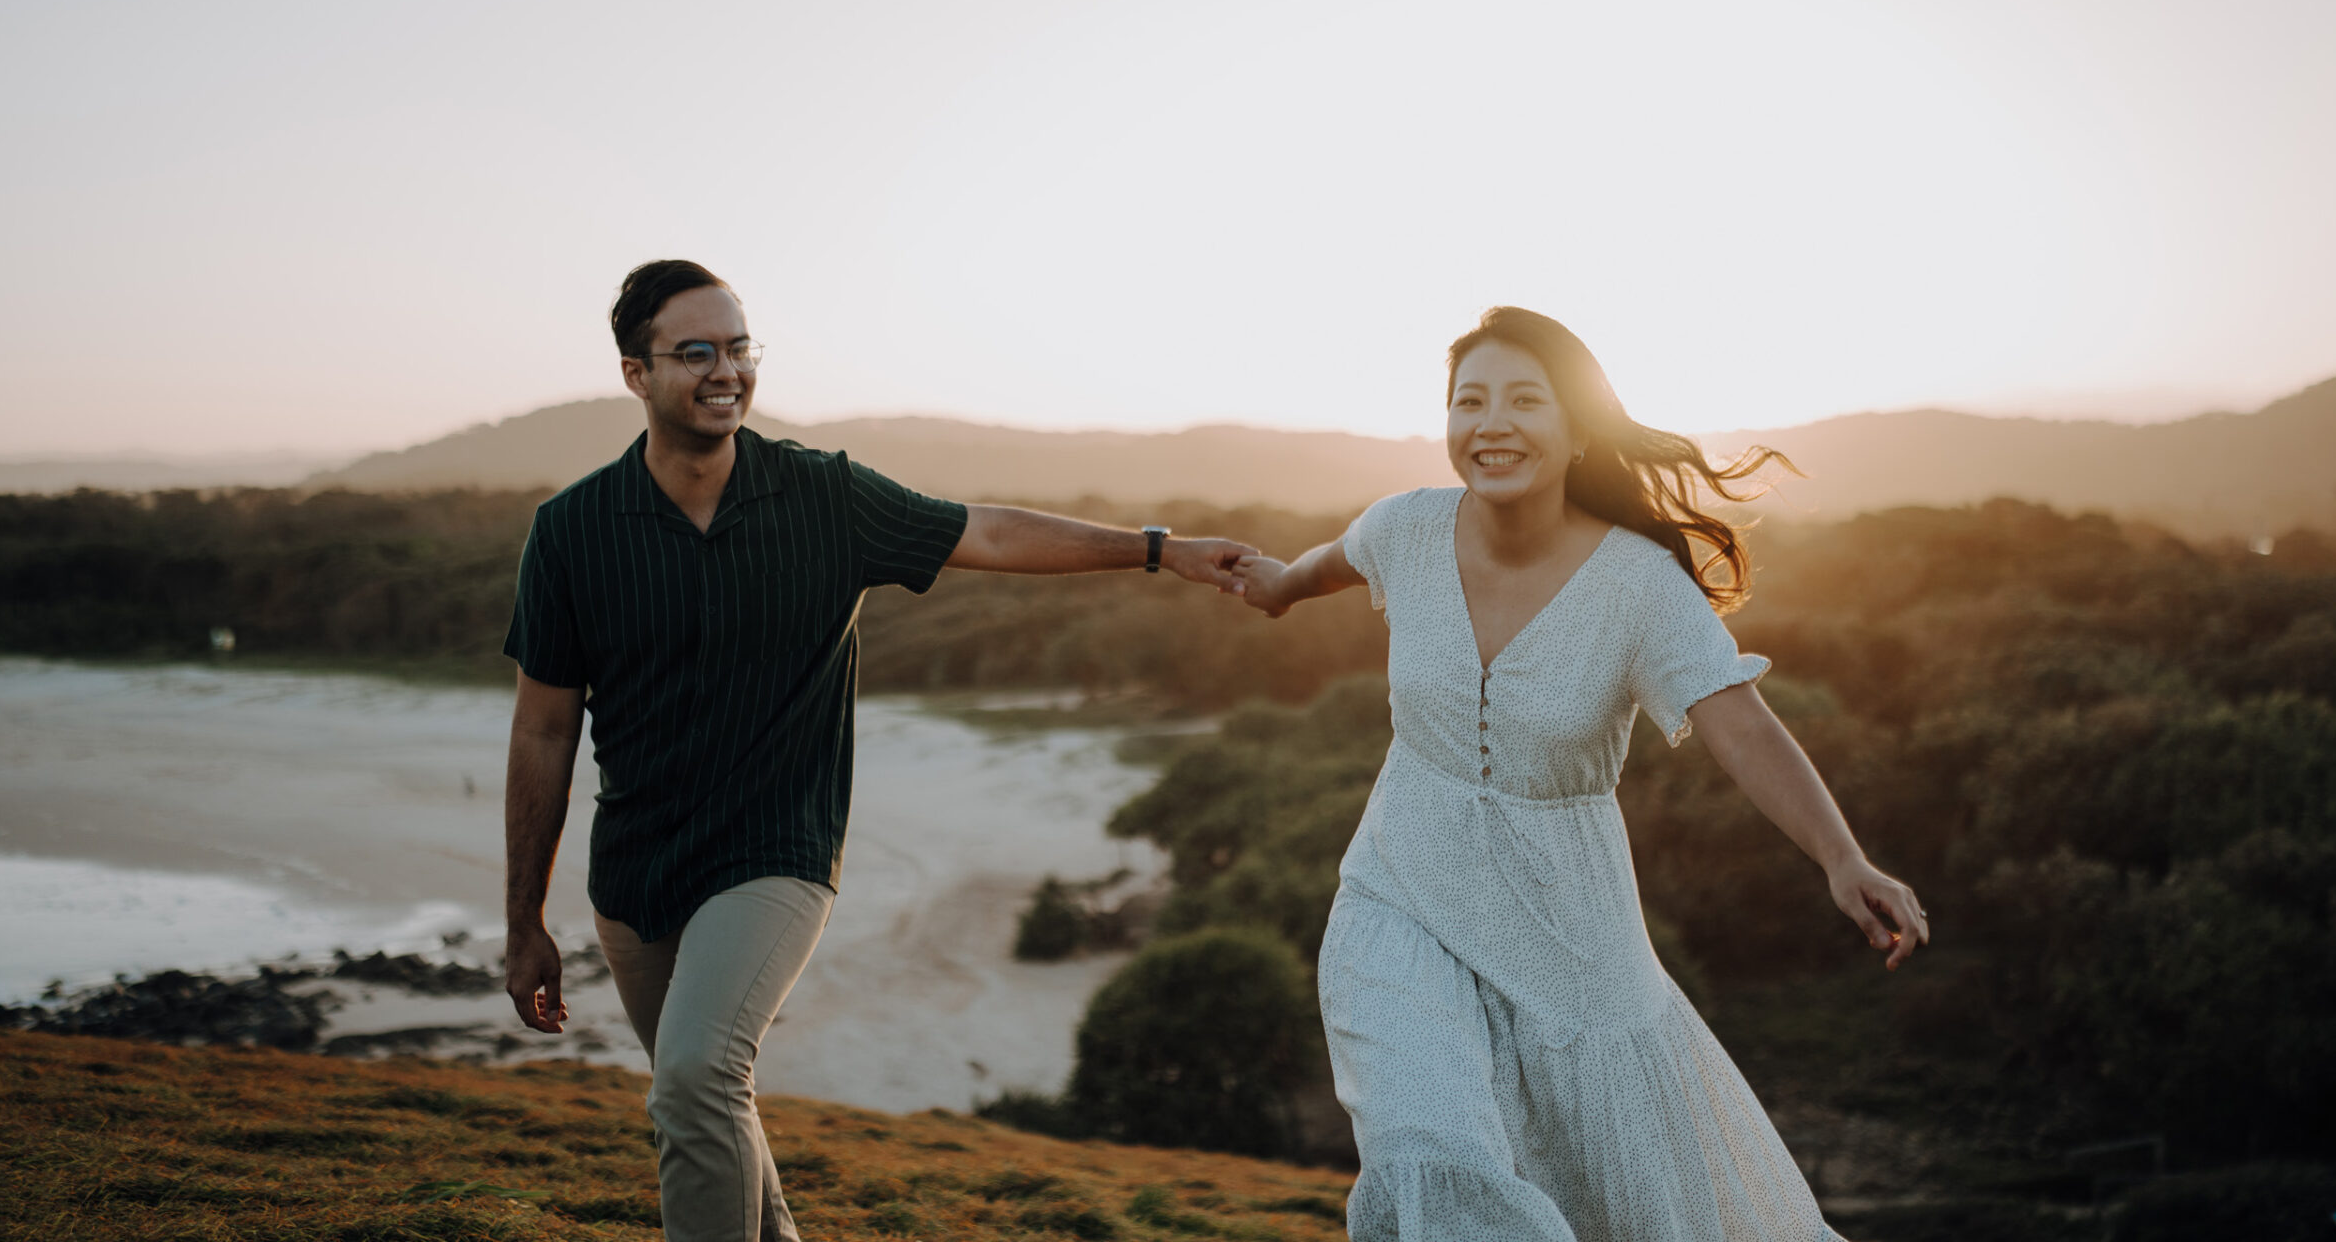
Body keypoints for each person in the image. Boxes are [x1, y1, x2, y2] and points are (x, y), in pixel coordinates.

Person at [500, 259, 1255, 1242]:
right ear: (636, 374)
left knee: (697, 1075)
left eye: (739, 347)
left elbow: (988, 533)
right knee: (712, 1103)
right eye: (696, 351)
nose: (726, 370)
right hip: (637, 875)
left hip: (777, 850)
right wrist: (525, 921)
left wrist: (1161, 548)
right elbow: (544, 731)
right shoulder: (571, 534)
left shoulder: (824, 496)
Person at [1231, 306, 1925, 1241]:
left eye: (1525, 400)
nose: (1492, 423)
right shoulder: (1404, 529)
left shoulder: (1639, 586)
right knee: (1430, 1149)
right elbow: (1330, 563)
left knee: (1624, 1203)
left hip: (1573, 936)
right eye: (1469, 401)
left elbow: (1743, 726)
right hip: (1398, 894)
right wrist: (1275, 586)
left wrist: (1843, 859)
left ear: (1576, 428)